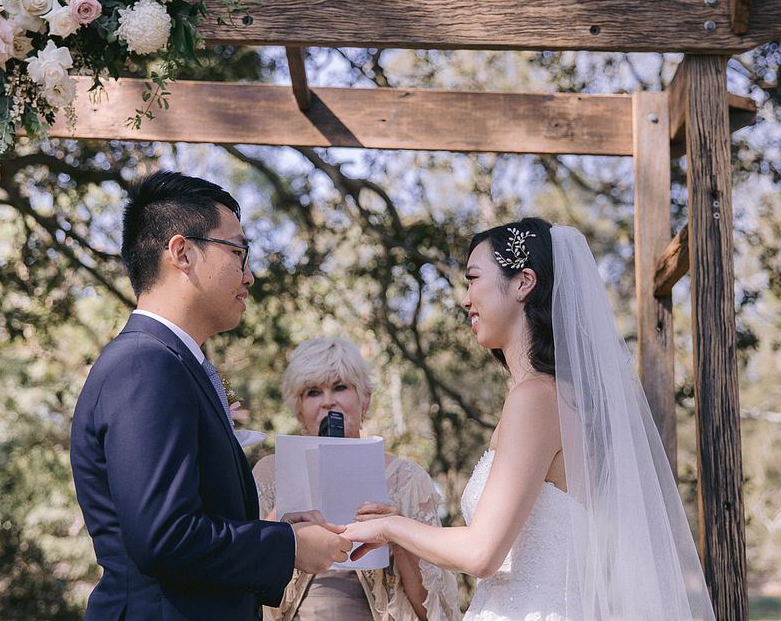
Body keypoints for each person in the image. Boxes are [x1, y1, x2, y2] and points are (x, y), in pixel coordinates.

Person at [343, 219, 716, 620]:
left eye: (473, 279)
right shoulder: (560, 397)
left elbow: (481, 553)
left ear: (523, 283)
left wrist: (391, 528)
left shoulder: (535, 399)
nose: (466, 300)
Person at [70, 171, 350, 621]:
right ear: (182, 253)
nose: (249, 275)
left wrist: (275, 533)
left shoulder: (171, 362)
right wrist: (288, 546)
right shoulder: (145, 364)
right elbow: (165, 536)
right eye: (238, 252)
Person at [251, 338, 461, 621]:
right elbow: (246, 573)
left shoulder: (407, 479)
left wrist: (398, 534)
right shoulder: (269, 472)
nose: (328, 401)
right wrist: (281, 518)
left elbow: (432, 611)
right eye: (313, 392)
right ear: (299, 408)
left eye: (340, 387)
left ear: (365, 400)